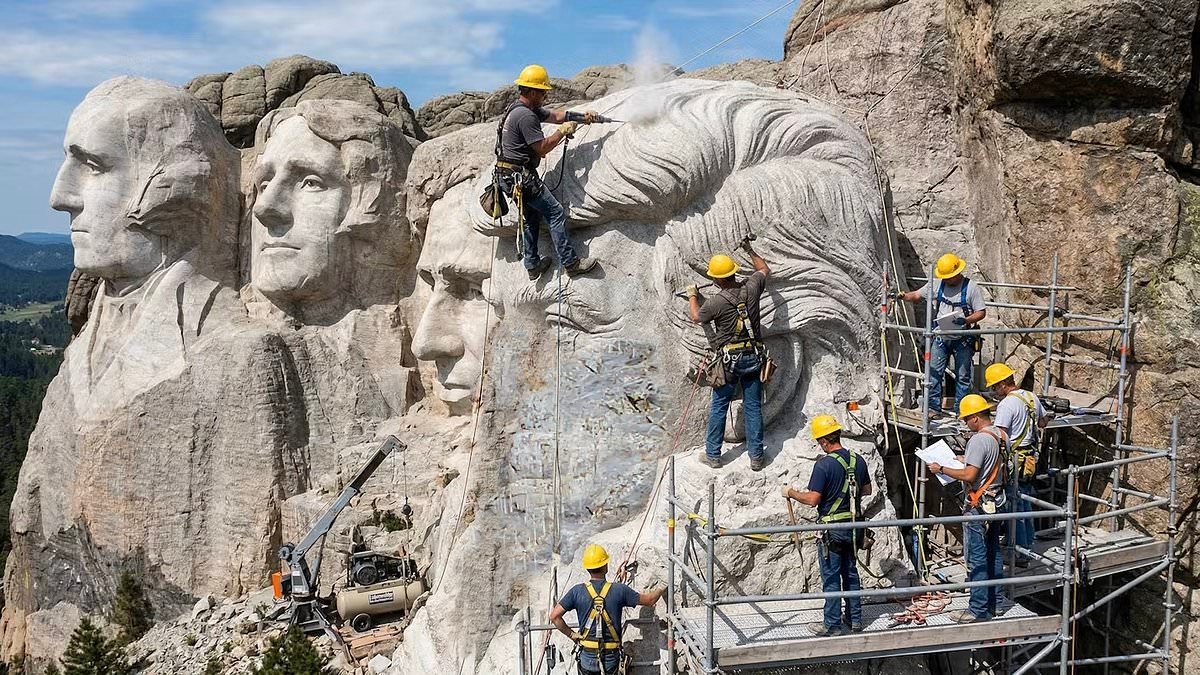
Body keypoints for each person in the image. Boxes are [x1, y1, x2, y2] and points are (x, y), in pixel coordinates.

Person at [496, 64, 599, 281]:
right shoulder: (525, 116)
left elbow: (558, 116)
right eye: (542, 92)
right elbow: (541, 148)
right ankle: (571, 263)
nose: (545, 96)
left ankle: (532, 265)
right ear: (532, 92)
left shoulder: (520, 109)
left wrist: (582, 117)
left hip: (507, 176)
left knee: (531, 216)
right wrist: (562, 133)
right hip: (519, 177)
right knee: (554, 212)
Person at [781, 415, 872, 635]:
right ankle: (855, 620)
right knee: (850, 573)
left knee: (831, 577)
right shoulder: (857, 460)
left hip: (832, 530)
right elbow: (867, 490)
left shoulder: (824, 465)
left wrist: (791, 493)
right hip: (853, 528)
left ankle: (832, 625)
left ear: (823, 441)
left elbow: (813, 500)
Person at [687, 238, 771, 471]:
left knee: (719, 406)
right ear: (734, 273)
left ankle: (713, 455)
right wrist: (749, 249)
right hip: (753, 357)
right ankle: (756, 457)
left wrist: (693, 295)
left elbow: (696, 317)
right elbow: (763, 269)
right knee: (753, 406)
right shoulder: (751, 287)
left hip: (728, 362)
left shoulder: (715, 303)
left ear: (715, 279)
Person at [927, 394, 1007, 623]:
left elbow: (971, 475)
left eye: (965, 420)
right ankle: (996, 603)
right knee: (994, 551)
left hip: (979, 505)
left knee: (976, 557)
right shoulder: (1000, 435)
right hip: (997, 501)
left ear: (974, 418)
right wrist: (963, 458)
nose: (964, 424)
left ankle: (977, 610)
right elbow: (990, 464)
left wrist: (941, 467)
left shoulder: (979, 440)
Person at [549, 544, 665, 675]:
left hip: (587, 657)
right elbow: (650, 600)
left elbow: (554, 616)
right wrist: (663, 585)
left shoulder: (577, 591)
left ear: (587, 568)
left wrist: (572, 635)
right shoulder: (619, 591)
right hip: (610, 659)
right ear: (605, 566)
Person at [894, 253, 987, 413]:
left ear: (957, 273)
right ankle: (932, 409)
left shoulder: (971, 287)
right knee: (934, 374)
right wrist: (903, 296)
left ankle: (962, 411)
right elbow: (917, 295)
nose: (947, 279)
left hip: (963, 338)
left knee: (963, 377)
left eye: (949, 277)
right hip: (940, 338)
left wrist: (965, 320)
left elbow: (981, 312)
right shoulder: (937, 284)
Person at [986, 362, 1050, 566]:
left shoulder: (1006, 405)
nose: (994, 391)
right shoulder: (1031, 397)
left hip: (1015, 459)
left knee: (1016, 504)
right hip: (1030, 457)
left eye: (995, 387)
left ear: (1004, 383)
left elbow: (1000, 434)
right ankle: (1027, 544)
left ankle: (1021, 553)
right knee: (1025, 500)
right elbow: (1043, 422)